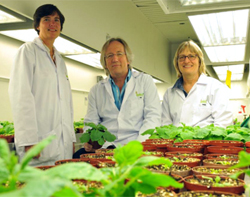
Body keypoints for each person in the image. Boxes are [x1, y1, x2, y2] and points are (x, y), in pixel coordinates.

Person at [9, 4, 76, 166]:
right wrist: (28, 140)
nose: (52, 24)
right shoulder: (28, 51)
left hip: (63, 145)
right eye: (47, 19)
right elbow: (21, 97)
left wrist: (71, 138)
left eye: (56, 20)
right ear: (37, 25)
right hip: (37, 144)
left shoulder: (60, 60)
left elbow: (66, 102)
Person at [73, 37, 161, 157]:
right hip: (106, 149)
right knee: (77, 158)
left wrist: (137, 145)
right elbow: (91, 121)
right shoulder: (96, 90)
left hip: (136, 145)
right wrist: (90, 139)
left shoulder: (145, 81)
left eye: (119, 54)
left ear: (128, 59)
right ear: (105, 62)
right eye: (109, 55)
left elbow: (153, 117)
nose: (115, 59)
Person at [161, 40, 233, 128]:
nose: (186, 61)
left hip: (206, 141)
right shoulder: (169, 93)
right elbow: (165, 125)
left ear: (200, 61)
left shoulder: (216, 88)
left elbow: (223, 123)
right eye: (182, 57)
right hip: (176, 141)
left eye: (192, 56)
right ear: (177, 63)